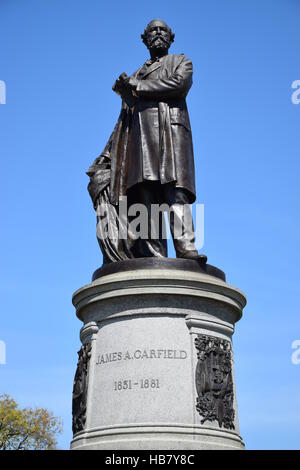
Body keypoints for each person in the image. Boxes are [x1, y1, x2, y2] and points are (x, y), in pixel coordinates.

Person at [87, 19, 206, 263]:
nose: (159, 33)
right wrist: (108, 153)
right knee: (147, 199)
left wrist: (138, 87)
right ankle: (155, 256)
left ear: (171, 37)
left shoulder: (181, 62)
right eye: (153, 30)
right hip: (140, 143)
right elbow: (123, 119)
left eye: (163, 30)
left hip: (171, 138)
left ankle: (186, 250)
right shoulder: (135, 76)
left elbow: (179, 85)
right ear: (145, 38)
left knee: (176, 195)